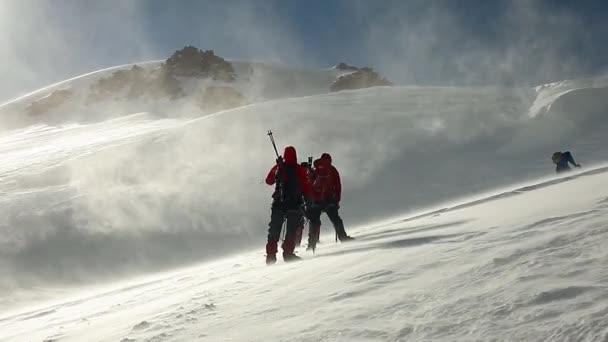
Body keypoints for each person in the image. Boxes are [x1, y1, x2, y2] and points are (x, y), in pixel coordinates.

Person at [264, 146, 312, 264]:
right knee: (291, 230)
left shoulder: (279, 167)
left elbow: (268, 181)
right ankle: (288, 254)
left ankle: (270, 256)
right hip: (294, 204)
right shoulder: (299, 169)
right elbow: (306, 187)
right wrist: (308, 203)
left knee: (274, 230)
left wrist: (278, 169)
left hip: (278, 203)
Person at [307, 153, 353, 252]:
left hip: (317, 200)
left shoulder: (316, 170)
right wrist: (336, 200)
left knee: (314, 222)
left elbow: (309, 185)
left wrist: (313, 198)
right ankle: (343, 237)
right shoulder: (332, 170)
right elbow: (338, 186)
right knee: (335, 219)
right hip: (329, 199)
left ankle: (311, 244)